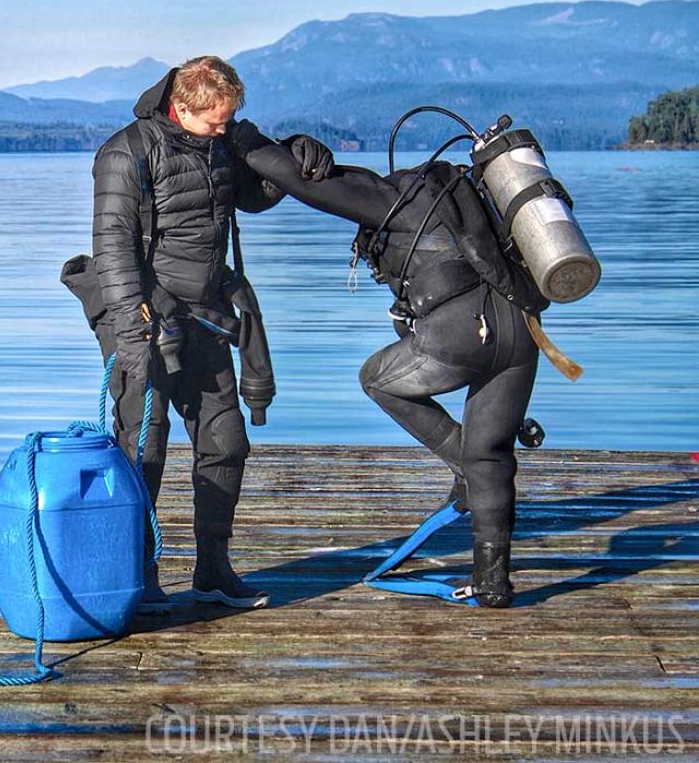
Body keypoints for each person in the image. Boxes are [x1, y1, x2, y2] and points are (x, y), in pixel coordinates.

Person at [226, 121, 548, 607]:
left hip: (461, 333)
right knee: (492, 456)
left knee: (378, 379)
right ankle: (492, 582)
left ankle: (465, 467)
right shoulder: (471, 197)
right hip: (523, 335)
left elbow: (306, 185)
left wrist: (240, 135)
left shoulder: (398, 197)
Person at [89, 56, 326, 612]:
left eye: (229, 120)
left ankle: (212, 570)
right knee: (142, 450)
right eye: (215, 121)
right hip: (147, 319)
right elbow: (113, 250)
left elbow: (253, 193)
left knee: (226, 441)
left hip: (207, 318)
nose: (224, 130)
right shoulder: (127, 152)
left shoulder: (217, 145)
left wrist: (296, 152)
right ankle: (137, 575)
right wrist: (133, 332)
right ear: (182, 105)